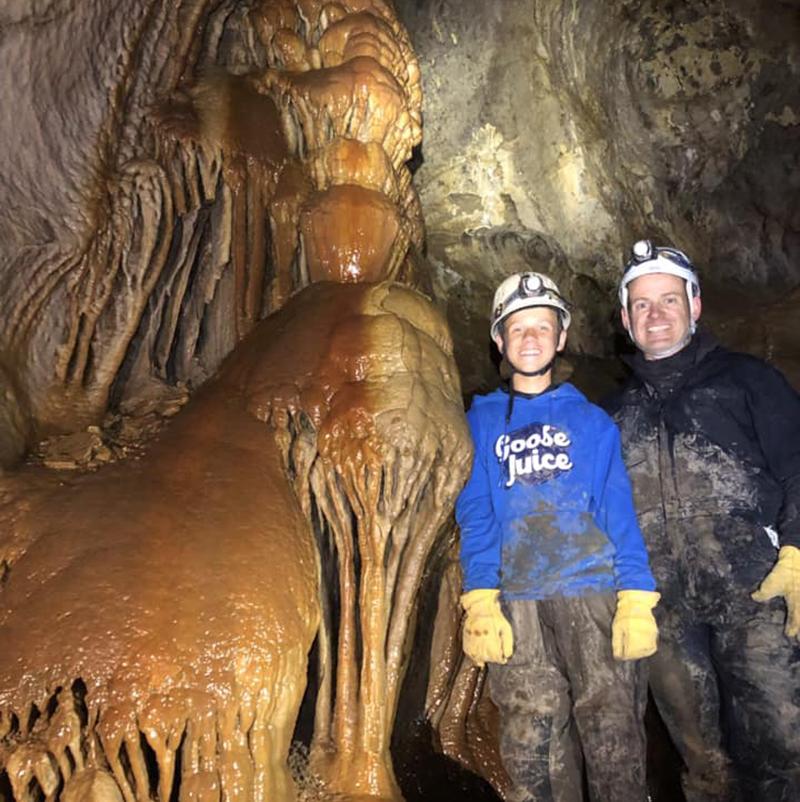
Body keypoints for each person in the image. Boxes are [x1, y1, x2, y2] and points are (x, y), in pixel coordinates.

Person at [605, 239, 800, 802]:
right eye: (642, 304)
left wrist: (797, 550)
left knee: (783, 748)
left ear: (695, 306)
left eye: (669, 299)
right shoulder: (614, 414)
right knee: (703, 763)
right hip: (663, 612)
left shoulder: (747, 380)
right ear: (625, 319)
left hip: (756, 597)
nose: (656, 314)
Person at [456, 271, 660, 802]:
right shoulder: (478, 423)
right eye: (517, 328)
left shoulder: (592, 422)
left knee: (612, 727)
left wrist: (636, 595)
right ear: (499, 340)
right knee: (531, 738)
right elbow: (476, 512)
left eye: (542, 327)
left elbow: (618, 510)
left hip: (592, 590)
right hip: (517, 598)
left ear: (560, 337)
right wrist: (480, 597)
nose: (530, 339)